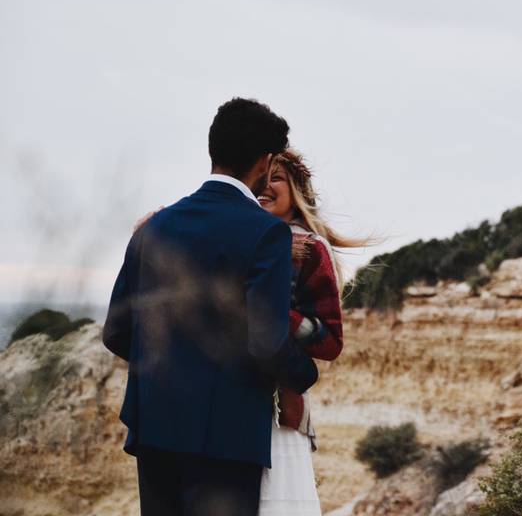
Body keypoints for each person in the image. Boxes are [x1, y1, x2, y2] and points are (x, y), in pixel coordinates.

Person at [102, 98, 319, 516]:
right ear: (265, 160)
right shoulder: (266, 233)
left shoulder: (155, 227)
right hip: (227, 435)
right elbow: (267, 342)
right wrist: (304, 375)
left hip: (156, 427)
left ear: (212, 150)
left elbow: (116, 331)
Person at [257, 148, 376, 516]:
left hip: (281, 411)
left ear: (298, 192)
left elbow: (330, 340)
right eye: (261, 177)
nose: (265, 186)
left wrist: (279, 317)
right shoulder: (246, 242)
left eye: (276, 178)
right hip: (237, 404)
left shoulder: (308, 249)